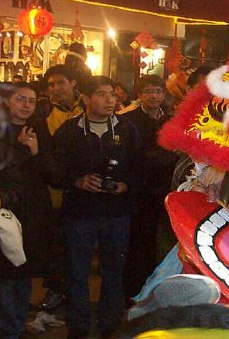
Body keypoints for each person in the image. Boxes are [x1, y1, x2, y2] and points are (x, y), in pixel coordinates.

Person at [51, 76, 142, 338]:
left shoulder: (126, 130)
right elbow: (55, 171)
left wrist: (125, 186)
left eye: (112, 94)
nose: (109, 100)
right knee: (77, 271)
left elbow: (139, 169)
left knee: (113, 271)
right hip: (79, 213)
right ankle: (78, 324)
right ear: (86, 98)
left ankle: (109, 323)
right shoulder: (70, 131)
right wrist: (77, 181)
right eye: (101, 94)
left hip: (116, 213)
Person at [0, 83, 54, 338]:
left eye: (31, 100)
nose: (26, 105)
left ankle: (16, 324)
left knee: (23, 269)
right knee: (7, 270)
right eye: (21, 99)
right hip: (5, 208)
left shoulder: (39, 130)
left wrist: (34, 151)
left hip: (32, 210)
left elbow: (53, 174)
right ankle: (11, 326)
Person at [122, 75, 177, 300]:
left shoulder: (171, 120)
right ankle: (133, 294)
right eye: (148, 91)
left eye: (157, 91)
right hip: (139, 193)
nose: (153, 96)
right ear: (140, 94)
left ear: (164, 95)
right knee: (138, 245)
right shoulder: (129, 120)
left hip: (163, 194)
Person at [35, 65, 85, 311]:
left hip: (84, 191)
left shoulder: (87, 109)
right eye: (51, 85)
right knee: (56, 245)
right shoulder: (42, 114)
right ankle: (56, 290)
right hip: (55, 192)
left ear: (73, 83)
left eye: (60, 83)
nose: (55, 89)